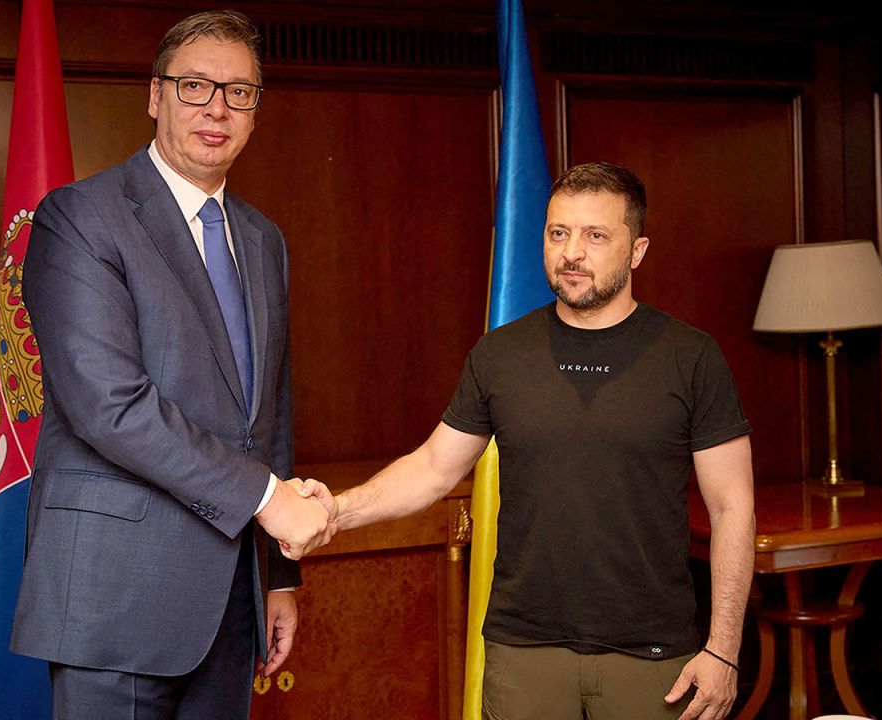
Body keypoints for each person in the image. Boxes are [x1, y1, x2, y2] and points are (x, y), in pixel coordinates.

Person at [300, 162, 756, 720]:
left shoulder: (692, 358)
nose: (571, 253)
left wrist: (724, 649)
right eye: (558, 232)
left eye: (596, 235)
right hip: (525, 653)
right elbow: (433, 469)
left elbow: (733, 506)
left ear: (637, 251)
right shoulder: (499, 354)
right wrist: (336, 511)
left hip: (655, 656)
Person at [10, 10, 331, 719]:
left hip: (231, 604)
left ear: (254, 111)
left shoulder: (263, 238)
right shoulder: (78, 218)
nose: (217, 108)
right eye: (195, 86)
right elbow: (109, 405)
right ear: (155, 97)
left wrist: (279, 575)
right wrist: (270, 500)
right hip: (115, 598)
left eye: (239, 92)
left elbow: (267, 415)